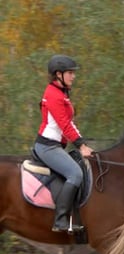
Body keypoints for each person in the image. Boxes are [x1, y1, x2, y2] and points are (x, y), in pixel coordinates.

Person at [33, 54, 94, 232]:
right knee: (75, 174)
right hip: (47, 147)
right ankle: (60, 220)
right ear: (58, 74)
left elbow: (69, 123)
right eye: (70, 73)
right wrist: (81, 146)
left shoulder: (62, 93)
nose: (73, 76)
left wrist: (83, 142)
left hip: (56, 146)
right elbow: (64, 124)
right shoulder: (53, 95)